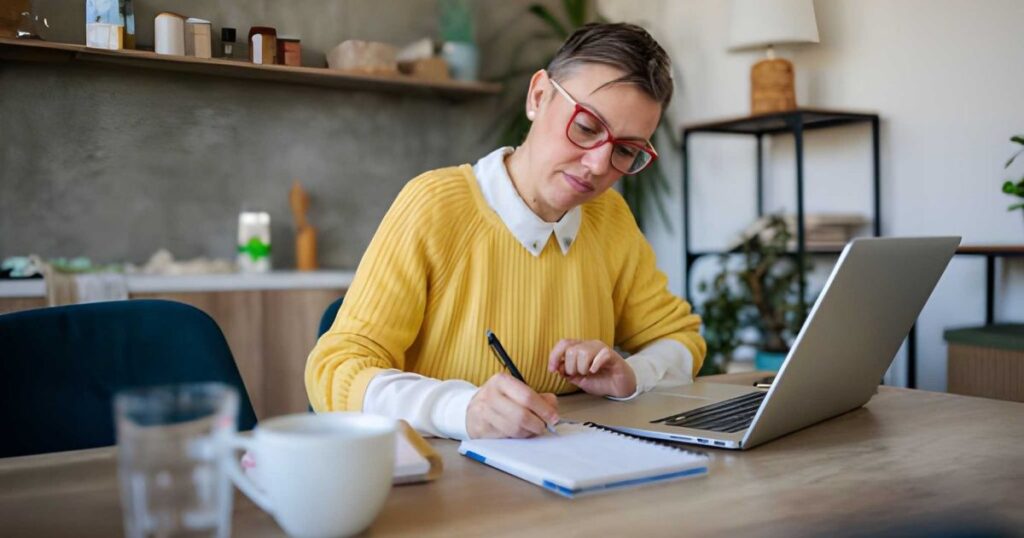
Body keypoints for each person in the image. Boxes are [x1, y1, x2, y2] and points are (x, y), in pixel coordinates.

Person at [305, 22, 705, 440]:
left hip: (570, 478)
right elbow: (334, 370)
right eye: (586, 127)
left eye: (625, 150)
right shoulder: (434, 205)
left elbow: (679, 338)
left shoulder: (611, 219)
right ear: (538, 96)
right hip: (448, 483)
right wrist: (462, 409)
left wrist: (631, 375)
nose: (598, 165)